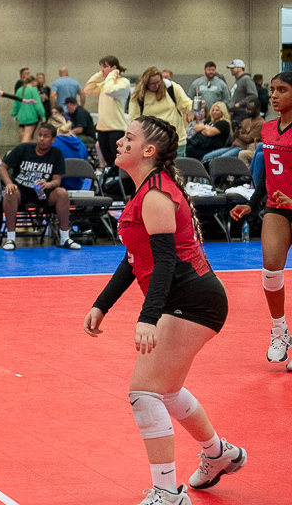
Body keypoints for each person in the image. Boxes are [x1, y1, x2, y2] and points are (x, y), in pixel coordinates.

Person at [85, 116, 244, 504]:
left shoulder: (155, 195)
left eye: (128, 138)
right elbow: (133, 257)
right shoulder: (146, 190)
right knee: (167, 390)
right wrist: (102, 304)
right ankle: (218, 453)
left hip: (193, 300)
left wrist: (148, 318)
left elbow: (166, 261)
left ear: (149, 151)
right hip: (188, 299)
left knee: (143, 392)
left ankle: (167, 494)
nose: (119, 142)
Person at [230, 71, 292, 372]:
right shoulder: (268, 130)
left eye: (283, 89)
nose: (275, 95)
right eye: (273, 89)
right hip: (276, 207)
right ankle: (280, 330)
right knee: (270, 269)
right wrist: (251, 205)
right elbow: (268, 174)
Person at [0, 123, 80, 251]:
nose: (41, 138)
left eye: (46, 136)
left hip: (43, 192)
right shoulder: (23, 148)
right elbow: (2, 167)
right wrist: (9, 183)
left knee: (62, 193)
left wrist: (48, 184)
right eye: (40, 135)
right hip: (22, 190)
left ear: (53, 139)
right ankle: (11, 239)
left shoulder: (57, 154)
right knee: (10, 192)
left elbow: (57, 181)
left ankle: (65, 238)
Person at [128, 67, 194, 157]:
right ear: (146, 83)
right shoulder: (138, 96)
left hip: (175, 141)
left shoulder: (172, 88)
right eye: (153, 83)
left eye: (159, 82)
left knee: (177, 169)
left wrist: (195, 106)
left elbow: (186, 105)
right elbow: (133, 120)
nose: (157, 86)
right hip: (152, 143)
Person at [85, 55, 131, 168]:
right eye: (101, 67)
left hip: (116, 128)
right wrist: (100, 75)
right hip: (102, 128)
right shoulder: (105, 83)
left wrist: (112, 75)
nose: (102, 69)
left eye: (105, 67)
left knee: (117, 162)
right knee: (108, 162)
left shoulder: (123, 82)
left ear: (114, 67)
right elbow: (88, 88)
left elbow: (110, 90)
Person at [11, 74, 46, 143]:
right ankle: (23, 152)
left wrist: (14, 114)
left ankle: (20, 151)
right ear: (33, 82)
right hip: (31, 116)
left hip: (21, 117)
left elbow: (15, 104)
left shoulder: (19, 90)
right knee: (27, 137)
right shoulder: (33, 90)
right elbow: (38, 104)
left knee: (22, 137)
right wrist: (43, 116)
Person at [226, 60, 257, 126]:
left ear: (240, 67)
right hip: (236, 113)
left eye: (233, 68)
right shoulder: (238, 81)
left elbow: (253, 95)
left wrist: (240, 103)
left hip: (243, 114)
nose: (231, 70)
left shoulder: (246, 79)